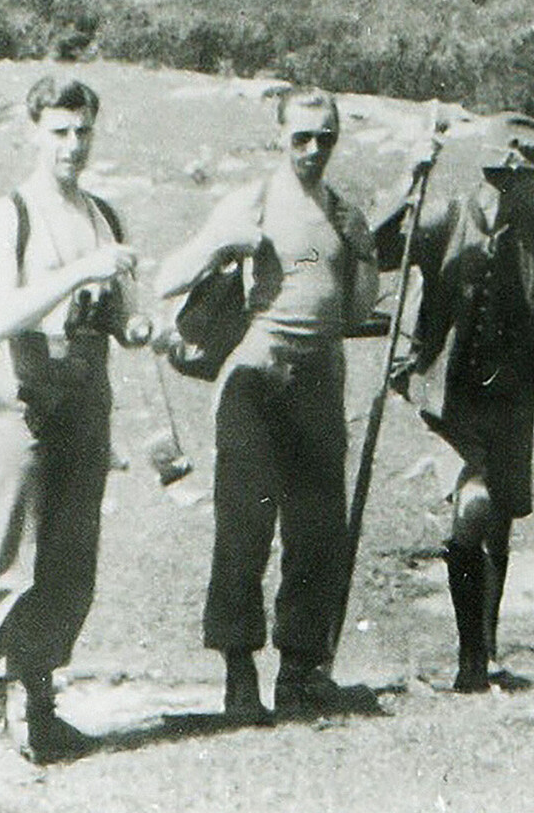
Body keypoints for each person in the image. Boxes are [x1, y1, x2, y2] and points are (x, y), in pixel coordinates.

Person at [157, 86, 381, 724]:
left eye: (326, 138)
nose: (314, 150)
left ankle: (299, 675)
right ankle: (238, 676)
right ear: (279, 135)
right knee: (244, 533)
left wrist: (361, 254)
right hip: (253, 386)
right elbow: (166, 278)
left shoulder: (339, 213)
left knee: (316, 534)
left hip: (317, 386)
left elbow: (352, 306)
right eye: (301, 137)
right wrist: (223, 246)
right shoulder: (248, 202)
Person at [0, 76, 152, 762]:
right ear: (33, 131)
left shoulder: (103, 214)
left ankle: (41, 705)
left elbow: (126, 314)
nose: (73, 145)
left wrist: (140, 323)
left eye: (84, 131)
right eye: (61, 131)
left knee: (72, 560)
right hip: (25, 402)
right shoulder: (7, 214)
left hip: (86, 401)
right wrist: (79, 275)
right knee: (10, 556)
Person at [382, 112, 534, 694]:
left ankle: (484, 650)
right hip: (448, 391)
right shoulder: (445, 216)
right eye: (533, 178)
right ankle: (467, 657)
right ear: (505, 175)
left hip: (511, 394)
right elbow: (382, 248)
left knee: (500, 520)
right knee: (473, 504)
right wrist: (410, 181)